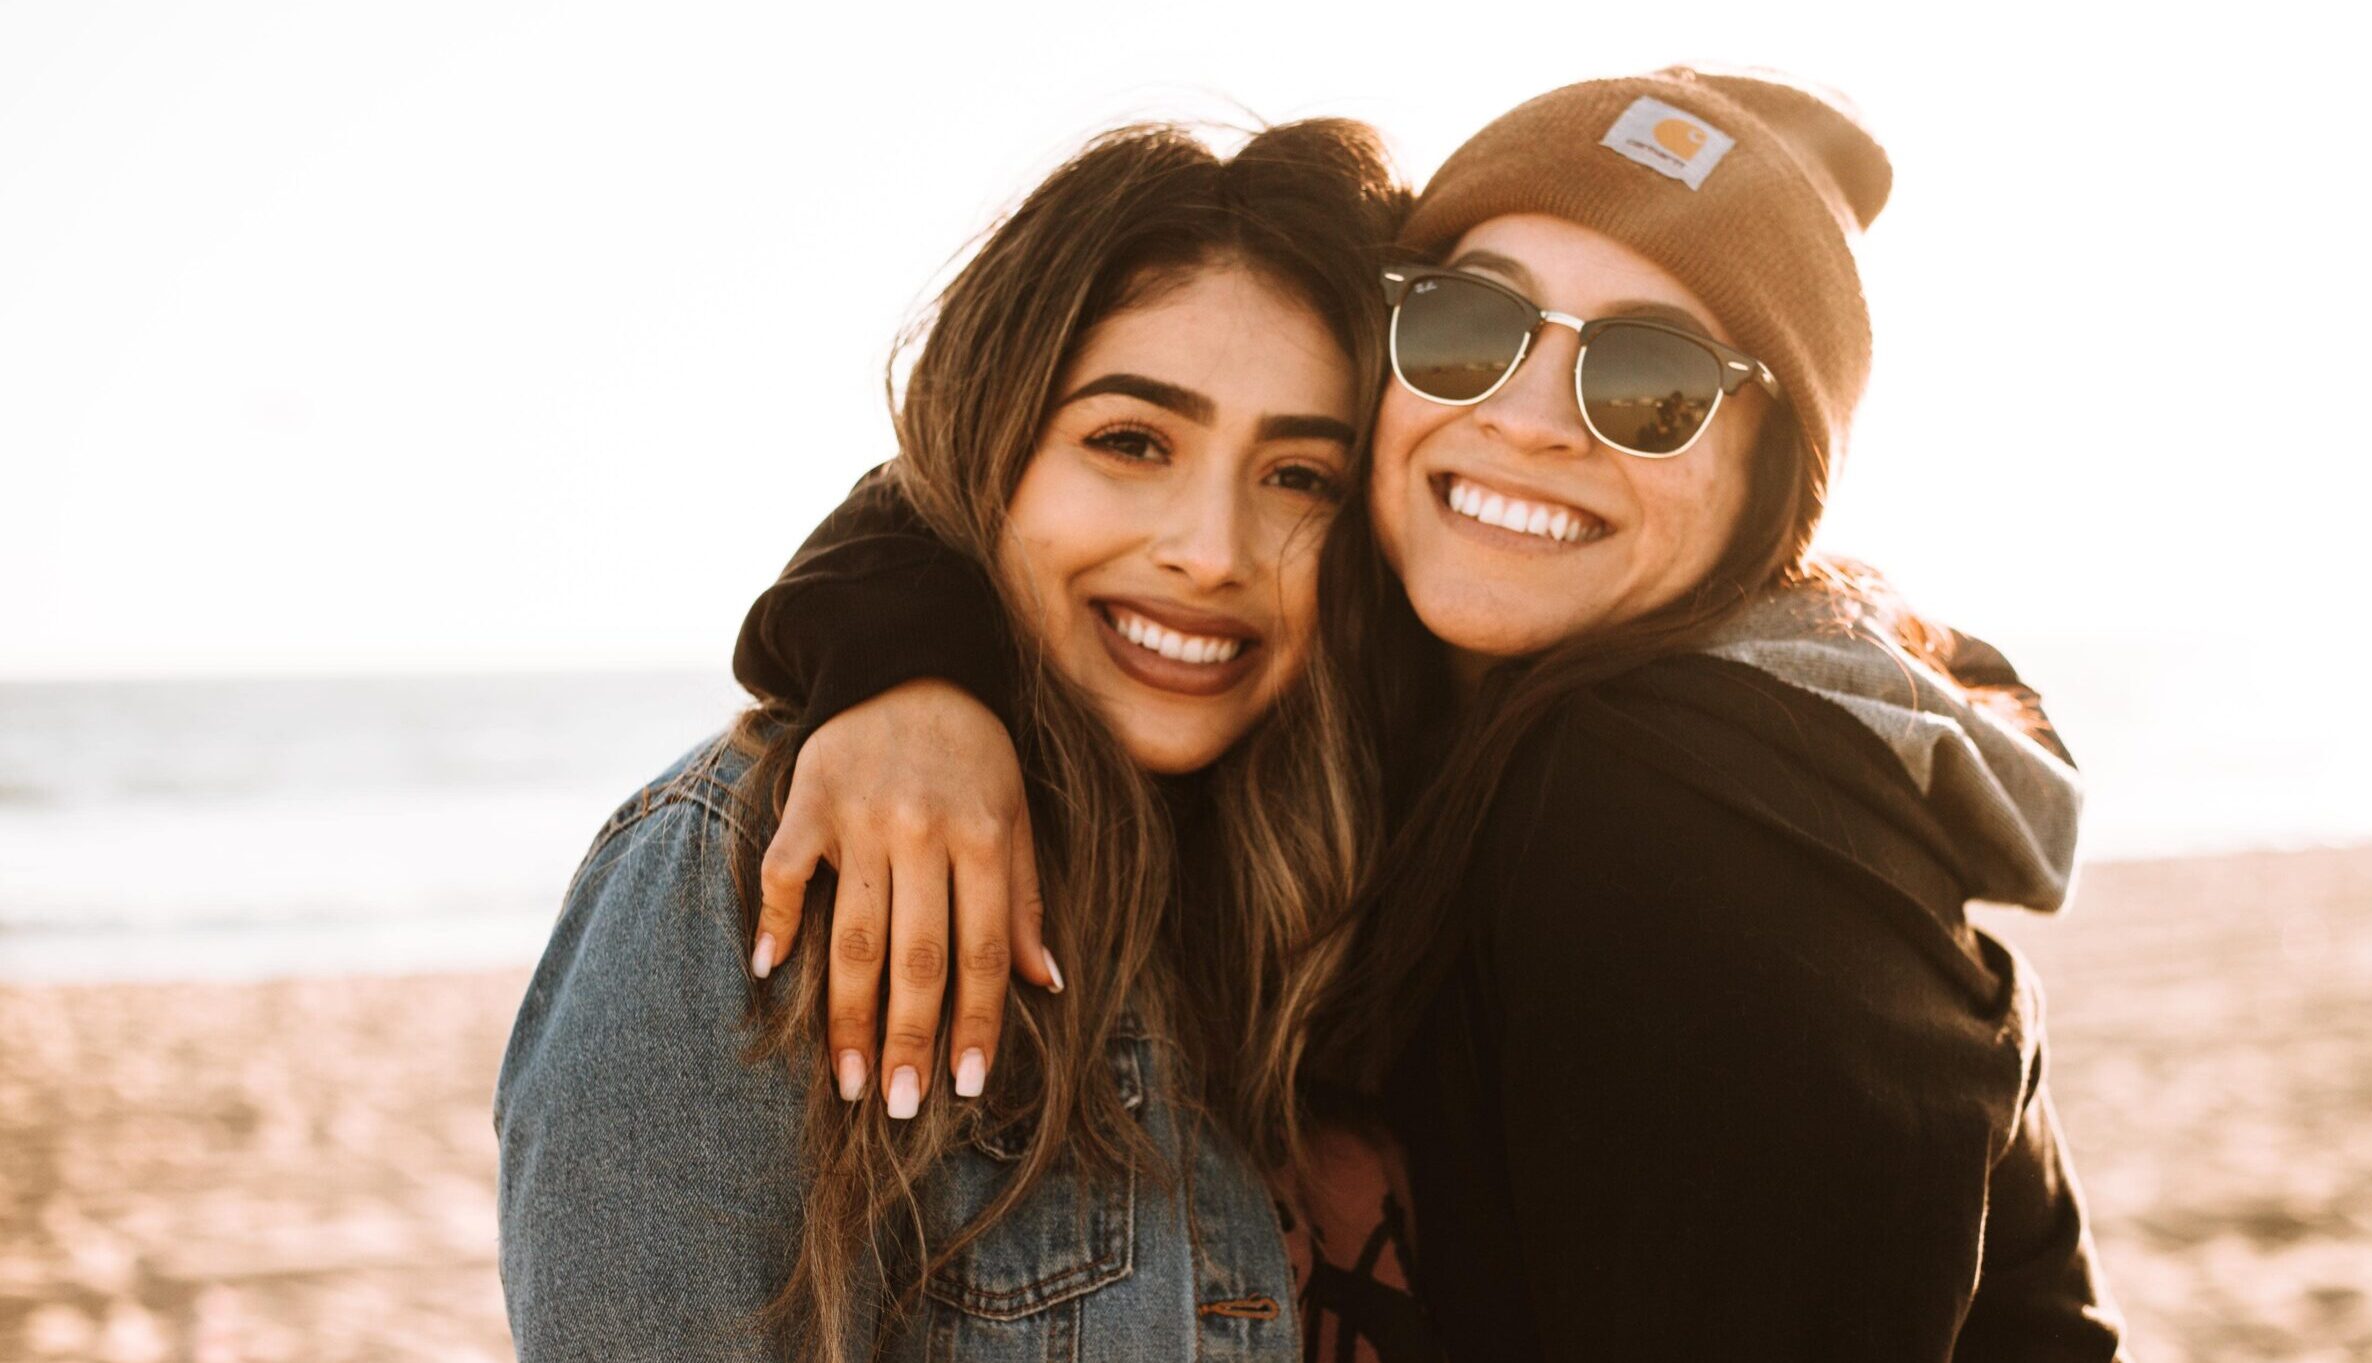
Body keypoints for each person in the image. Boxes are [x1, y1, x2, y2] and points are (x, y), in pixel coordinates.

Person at [727, 67, 2130, 1359]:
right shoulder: (1398, 652)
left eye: (1652, 382)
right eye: (1472, 325)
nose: (1527, 418)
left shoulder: (1689, 800)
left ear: (1775, 477)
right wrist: (916, 671)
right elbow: (993, 471)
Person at [493, 118, 1441, 1362]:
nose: (1211, 552)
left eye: (1300, 476)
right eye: (1130, 442)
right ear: (990, 452)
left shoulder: (1373, 858)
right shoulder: (745, 875)